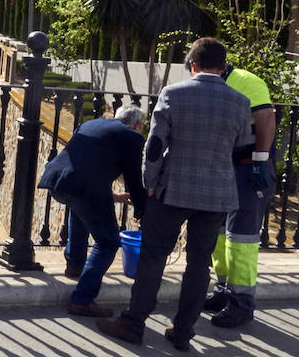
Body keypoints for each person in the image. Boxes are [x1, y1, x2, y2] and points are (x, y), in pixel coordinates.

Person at [96, 37, 253, 352]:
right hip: (217, 194)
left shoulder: (172, 94)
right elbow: (242, 148)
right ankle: (183, 330)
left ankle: (133, 322)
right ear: (224, 68)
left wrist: (149, 183)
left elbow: (154, 147)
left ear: (192, 65)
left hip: (172, 190)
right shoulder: (240, 101)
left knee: (154, 256)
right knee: (200, 263)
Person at [38, 105, 148, 318]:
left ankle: (75, 265)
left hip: (57, 181)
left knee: (80, 213)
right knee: (108, 242)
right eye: (142, 127)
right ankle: (82, 299)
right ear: (137, 125)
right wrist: (142, 210)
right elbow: (134, 177)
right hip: (83, 188)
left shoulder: (92, 124)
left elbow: (90, 167)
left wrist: (114, 197)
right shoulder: (132, 138)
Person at [204, 64, 277, 327]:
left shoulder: (247, 81)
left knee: (241, 240)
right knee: (221, 235)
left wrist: (260, 160)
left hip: (250, 172)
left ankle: (242, 304)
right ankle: (223, 292)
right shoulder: (215, 83)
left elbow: (266, 118)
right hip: (228, 171)